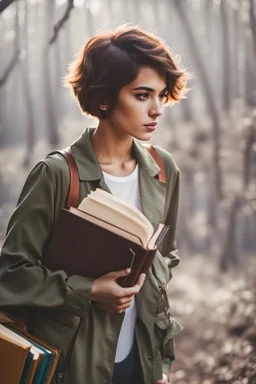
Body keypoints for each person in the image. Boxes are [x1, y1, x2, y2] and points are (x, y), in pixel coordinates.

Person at [0, 26, 188, 384]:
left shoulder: (164, 169)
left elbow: (167, 258)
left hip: (140, 360)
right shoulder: (56, 174)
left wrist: (159, 363)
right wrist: (88, 291)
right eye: (142, 95)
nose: (157, 109)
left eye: (162, 95)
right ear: (104, 98)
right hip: (73, 365)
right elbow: (9, 275)